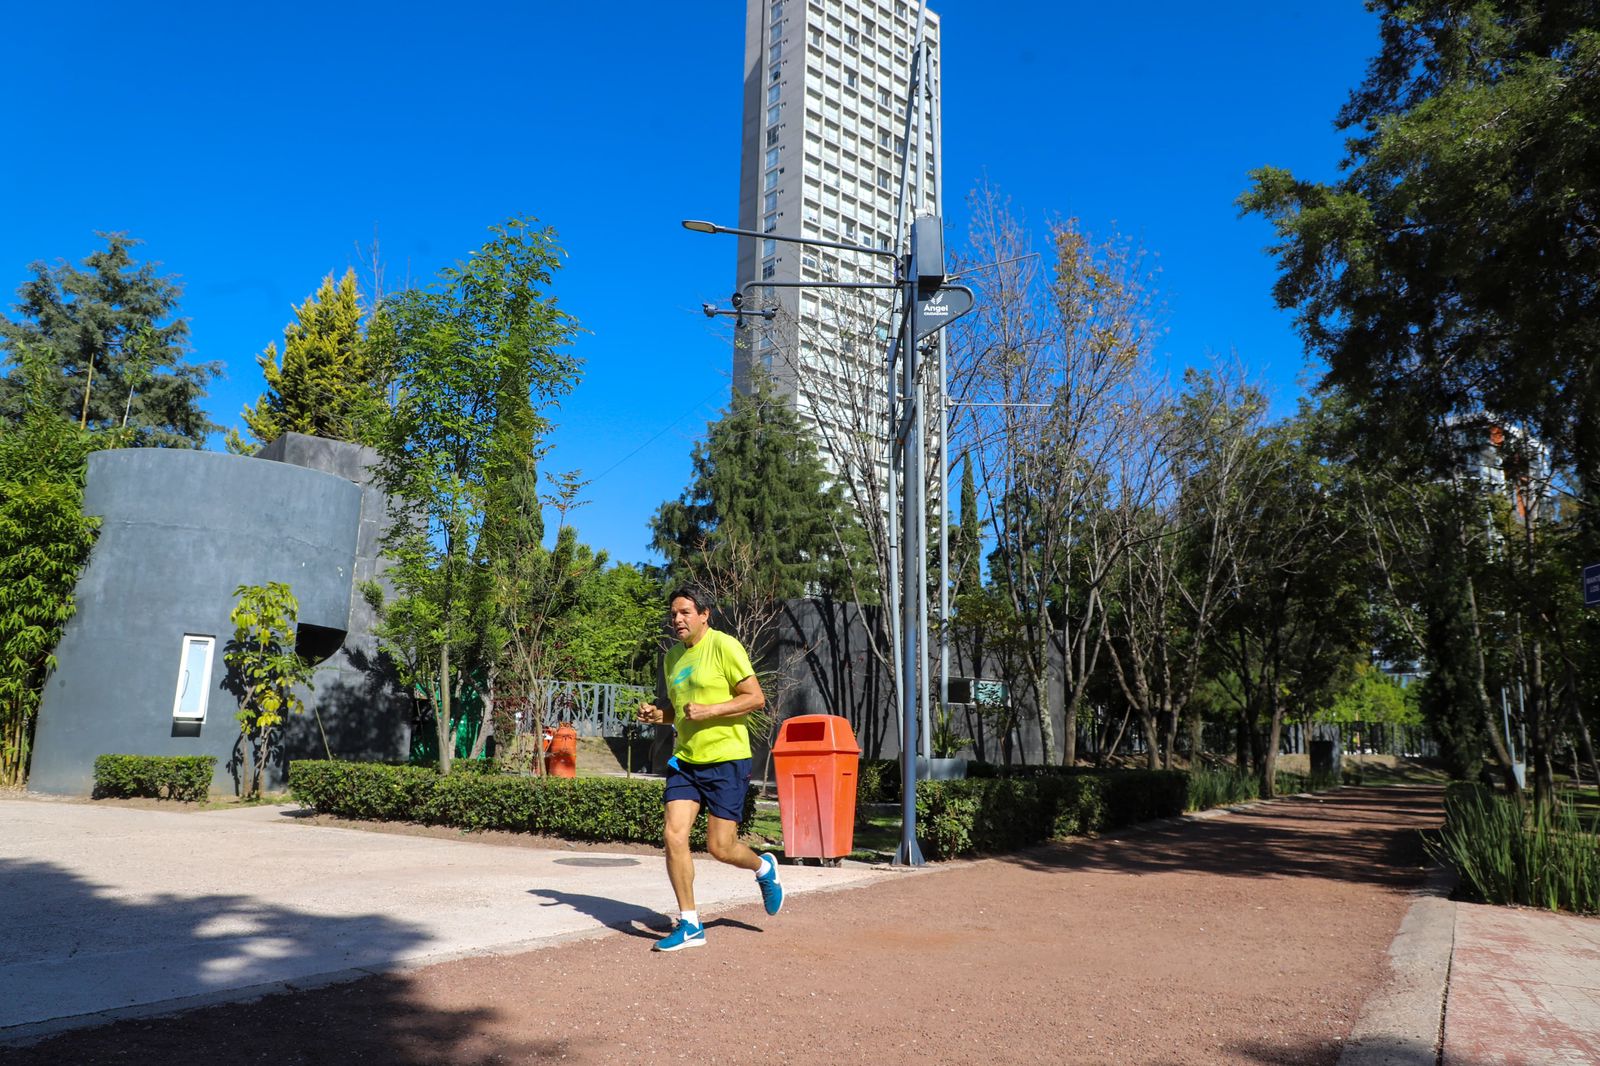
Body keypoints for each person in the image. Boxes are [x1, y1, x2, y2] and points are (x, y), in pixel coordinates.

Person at [636, 586, 783, 951]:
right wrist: (659, 715)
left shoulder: (725, 646)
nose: (677, 620)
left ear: (705, 614)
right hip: (686, 760)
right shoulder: (672, 658)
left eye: (685, 612)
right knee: (673, 834)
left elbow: (755, 698)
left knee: (721, 847)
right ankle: (690, 924)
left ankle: (763, 867)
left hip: (726, 759)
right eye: (673, 614)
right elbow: (679, 710)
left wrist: (711, 710)